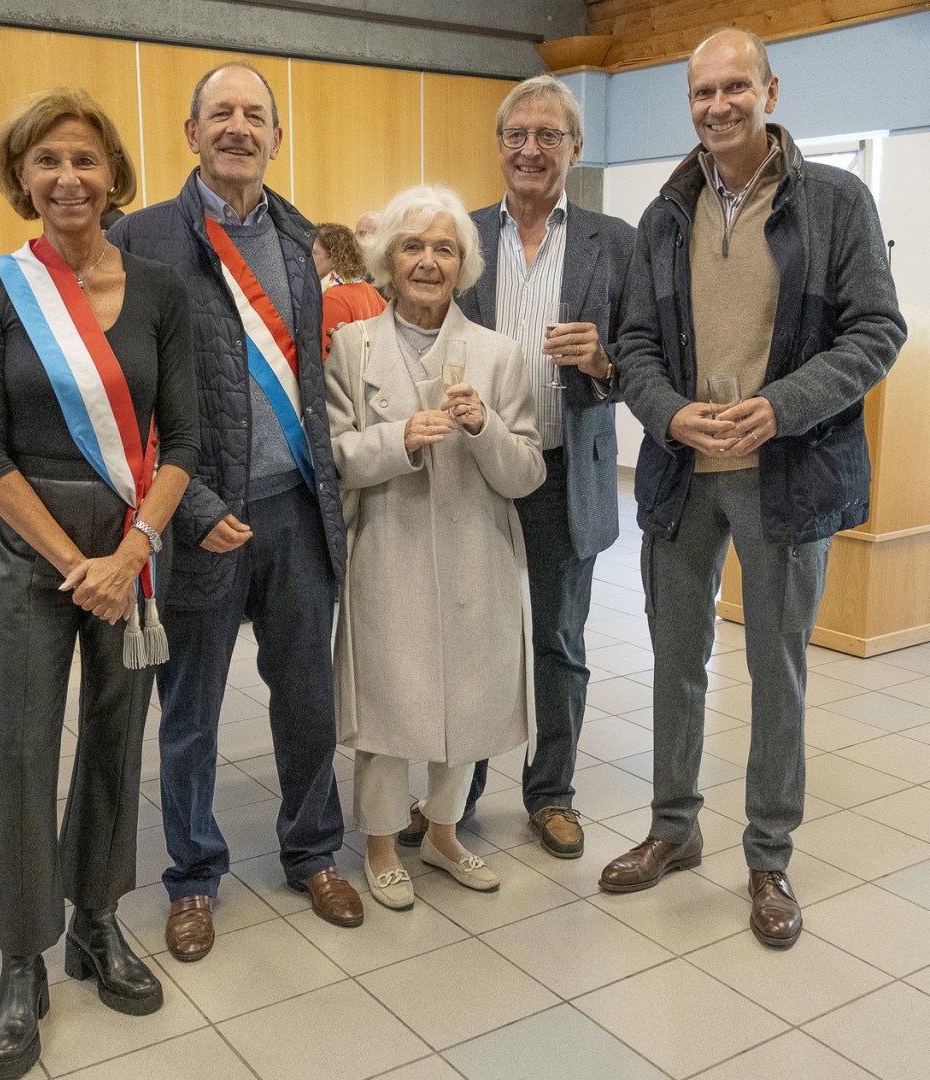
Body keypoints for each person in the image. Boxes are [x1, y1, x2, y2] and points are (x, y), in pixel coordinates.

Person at [601, 29, 906, 948]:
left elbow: (877, 331)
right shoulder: (666, 213)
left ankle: (769, 855)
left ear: (770, 92)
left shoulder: (836, 201)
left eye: (736, 86)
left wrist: (781, 407)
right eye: (703, 91)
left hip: (789, 476)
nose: (718, 104)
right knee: (675, 658)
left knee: (776, 670)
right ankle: (673, 827)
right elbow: (633, 347)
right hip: (682, 476)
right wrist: (669, 415)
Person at [0, 88, 199, 1079]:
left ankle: (96, 921)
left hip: (133, 544)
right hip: (35, 549)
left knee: (114, 735)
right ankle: (23, 958)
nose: (68, 178)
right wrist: (74, 563)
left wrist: (132, 552)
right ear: (23, 177)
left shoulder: (161, 290)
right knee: (20, 745)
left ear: (113, 175)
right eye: (48, 160)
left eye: (86, 160)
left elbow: (185, 442)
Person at [109, 61, 361, 961]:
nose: (238, 127)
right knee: (192, 713)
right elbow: (127, 398)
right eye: (221, 113)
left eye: (255, 115)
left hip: (295, 513)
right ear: (191, 132)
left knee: (307, 701)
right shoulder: (141, 238)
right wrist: (190, 508)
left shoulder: (299, 240)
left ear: (276, 138)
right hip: (198, 518)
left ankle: (313, 851)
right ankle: (192, 876)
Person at [402, 75, 635, 860]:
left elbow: (645, 361)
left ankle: (552, 793)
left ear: (575, 147)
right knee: (468, 636)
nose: (530, 149)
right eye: (516, 135)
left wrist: (604, 360)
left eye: (548, 136)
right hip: (473, 472)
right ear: (499, 145)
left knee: (558, 641)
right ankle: (453, 796)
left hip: (565, 472)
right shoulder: (460, 236)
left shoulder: (615, 242)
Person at [325, 185, 545, 909]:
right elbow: (334, 456)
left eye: (444, 249)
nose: (427, 261)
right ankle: (381, 844)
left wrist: (484, 428)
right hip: (387, 548)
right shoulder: (351, 347)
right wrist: (397, 440)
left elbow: (527, 472)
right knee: (387, 702)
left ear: (463, 265)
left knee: (470, 698)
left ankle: (444, 833)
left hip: (475, 549)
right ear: (387, 258)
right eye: (412, 246)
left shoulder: (498, 354)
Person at [313, 222, 386, 354]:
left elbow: (327, 358)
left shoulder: (332, 298)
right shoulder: (368, 289)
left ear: (335, 258)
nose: (305, 259)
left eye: (313, 253)